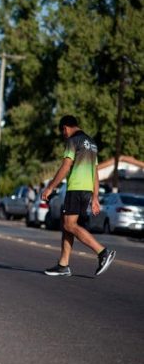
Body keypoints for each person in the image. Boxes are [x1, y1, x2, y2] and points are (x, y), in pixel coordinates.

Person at [41, 115, 116, 277]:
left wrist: (50, 187)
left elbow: (66, 166)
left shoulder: (73, 141)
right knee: (68, 223)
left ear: (66, 128)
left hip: (75, 188)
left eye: (63, 132)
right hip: (87, 190)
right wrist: (95, 197)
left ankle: (102, 252)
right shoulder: (92, 144)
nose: (64, 135)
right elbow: (95, 172)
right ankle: (63, 264)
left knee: (69, 225)